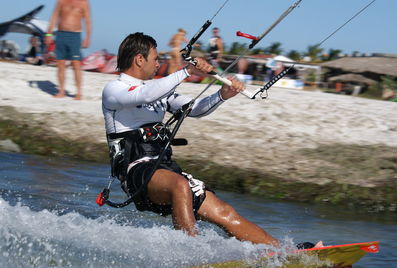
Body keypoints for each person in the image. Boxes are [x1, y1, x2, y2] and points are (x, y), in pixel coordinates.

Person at [101, 32, 279, 246]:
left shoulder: (160, 93)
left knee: (224, 211)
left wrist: (222, 95)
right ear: (140, 59)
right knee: (179, 185)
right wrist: (186, 71)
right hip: (135, 171)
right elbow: (145, 95)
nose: (159, 64)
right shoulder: (114, 89)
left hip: (163, 167)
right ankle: (192, 255)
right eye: (156, 59)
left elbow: (195, 109)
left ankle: (284, 252)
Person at [45, 0, 92, 100]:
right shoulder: (61, 1)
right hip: (60, 35)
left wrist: (87, 37)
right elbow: (54, 17)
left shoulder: (84, 3)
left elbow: (87, 21)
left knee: (76, 64)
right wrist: (48, 34)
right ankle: (61, 91)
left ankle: (79, 93)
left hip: (75, 36)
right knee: (60, 64)